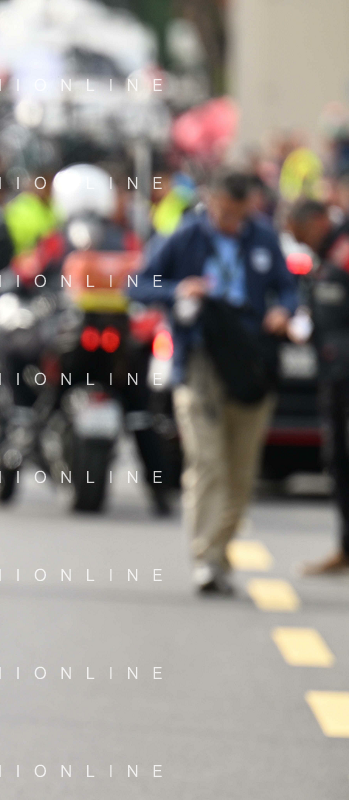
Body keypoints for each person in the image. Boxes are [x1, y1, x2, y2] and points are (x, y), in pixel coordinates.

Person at [130, 169, 298, 594]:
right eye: (224, 212)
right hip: (201, 359)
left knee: (241, 470)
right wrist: (177, 291)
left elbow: (288, 288)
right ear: (211, 202)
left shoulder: (263, 238)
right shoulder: (185, 236)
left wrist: (284, 310)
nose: (231, 221)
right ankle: (205, 558)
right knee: (207, 463)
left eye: (239, 214)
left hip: (250, 359)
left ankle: (220, 553)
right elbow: (138, 285)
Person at [289, 200, 349, 574]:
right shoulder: (323, 259)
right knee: (339, 463)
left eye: (302, 234)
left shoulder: (343, 254)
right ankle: (345, 549)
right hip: (333, 377)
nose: (301, 243)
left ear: (318, 221)